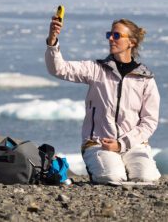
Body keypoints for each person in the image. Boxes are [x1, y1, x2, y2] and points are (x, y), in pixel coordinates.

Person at [45, 13, 161, 184]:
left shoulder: (145, 78)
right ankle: (106, 167)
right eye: (109, 35)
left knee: (147, 179)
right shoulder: (96, 69)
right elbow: (59, 69)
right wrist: (52, 41)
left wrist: (122, 144)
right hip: (99, 143)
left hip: (133, 145)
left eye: (116, 35)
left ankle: (126, 165)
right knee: (112, 178)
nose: (111, 39)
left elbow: (149, 121)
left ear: (132, 42)